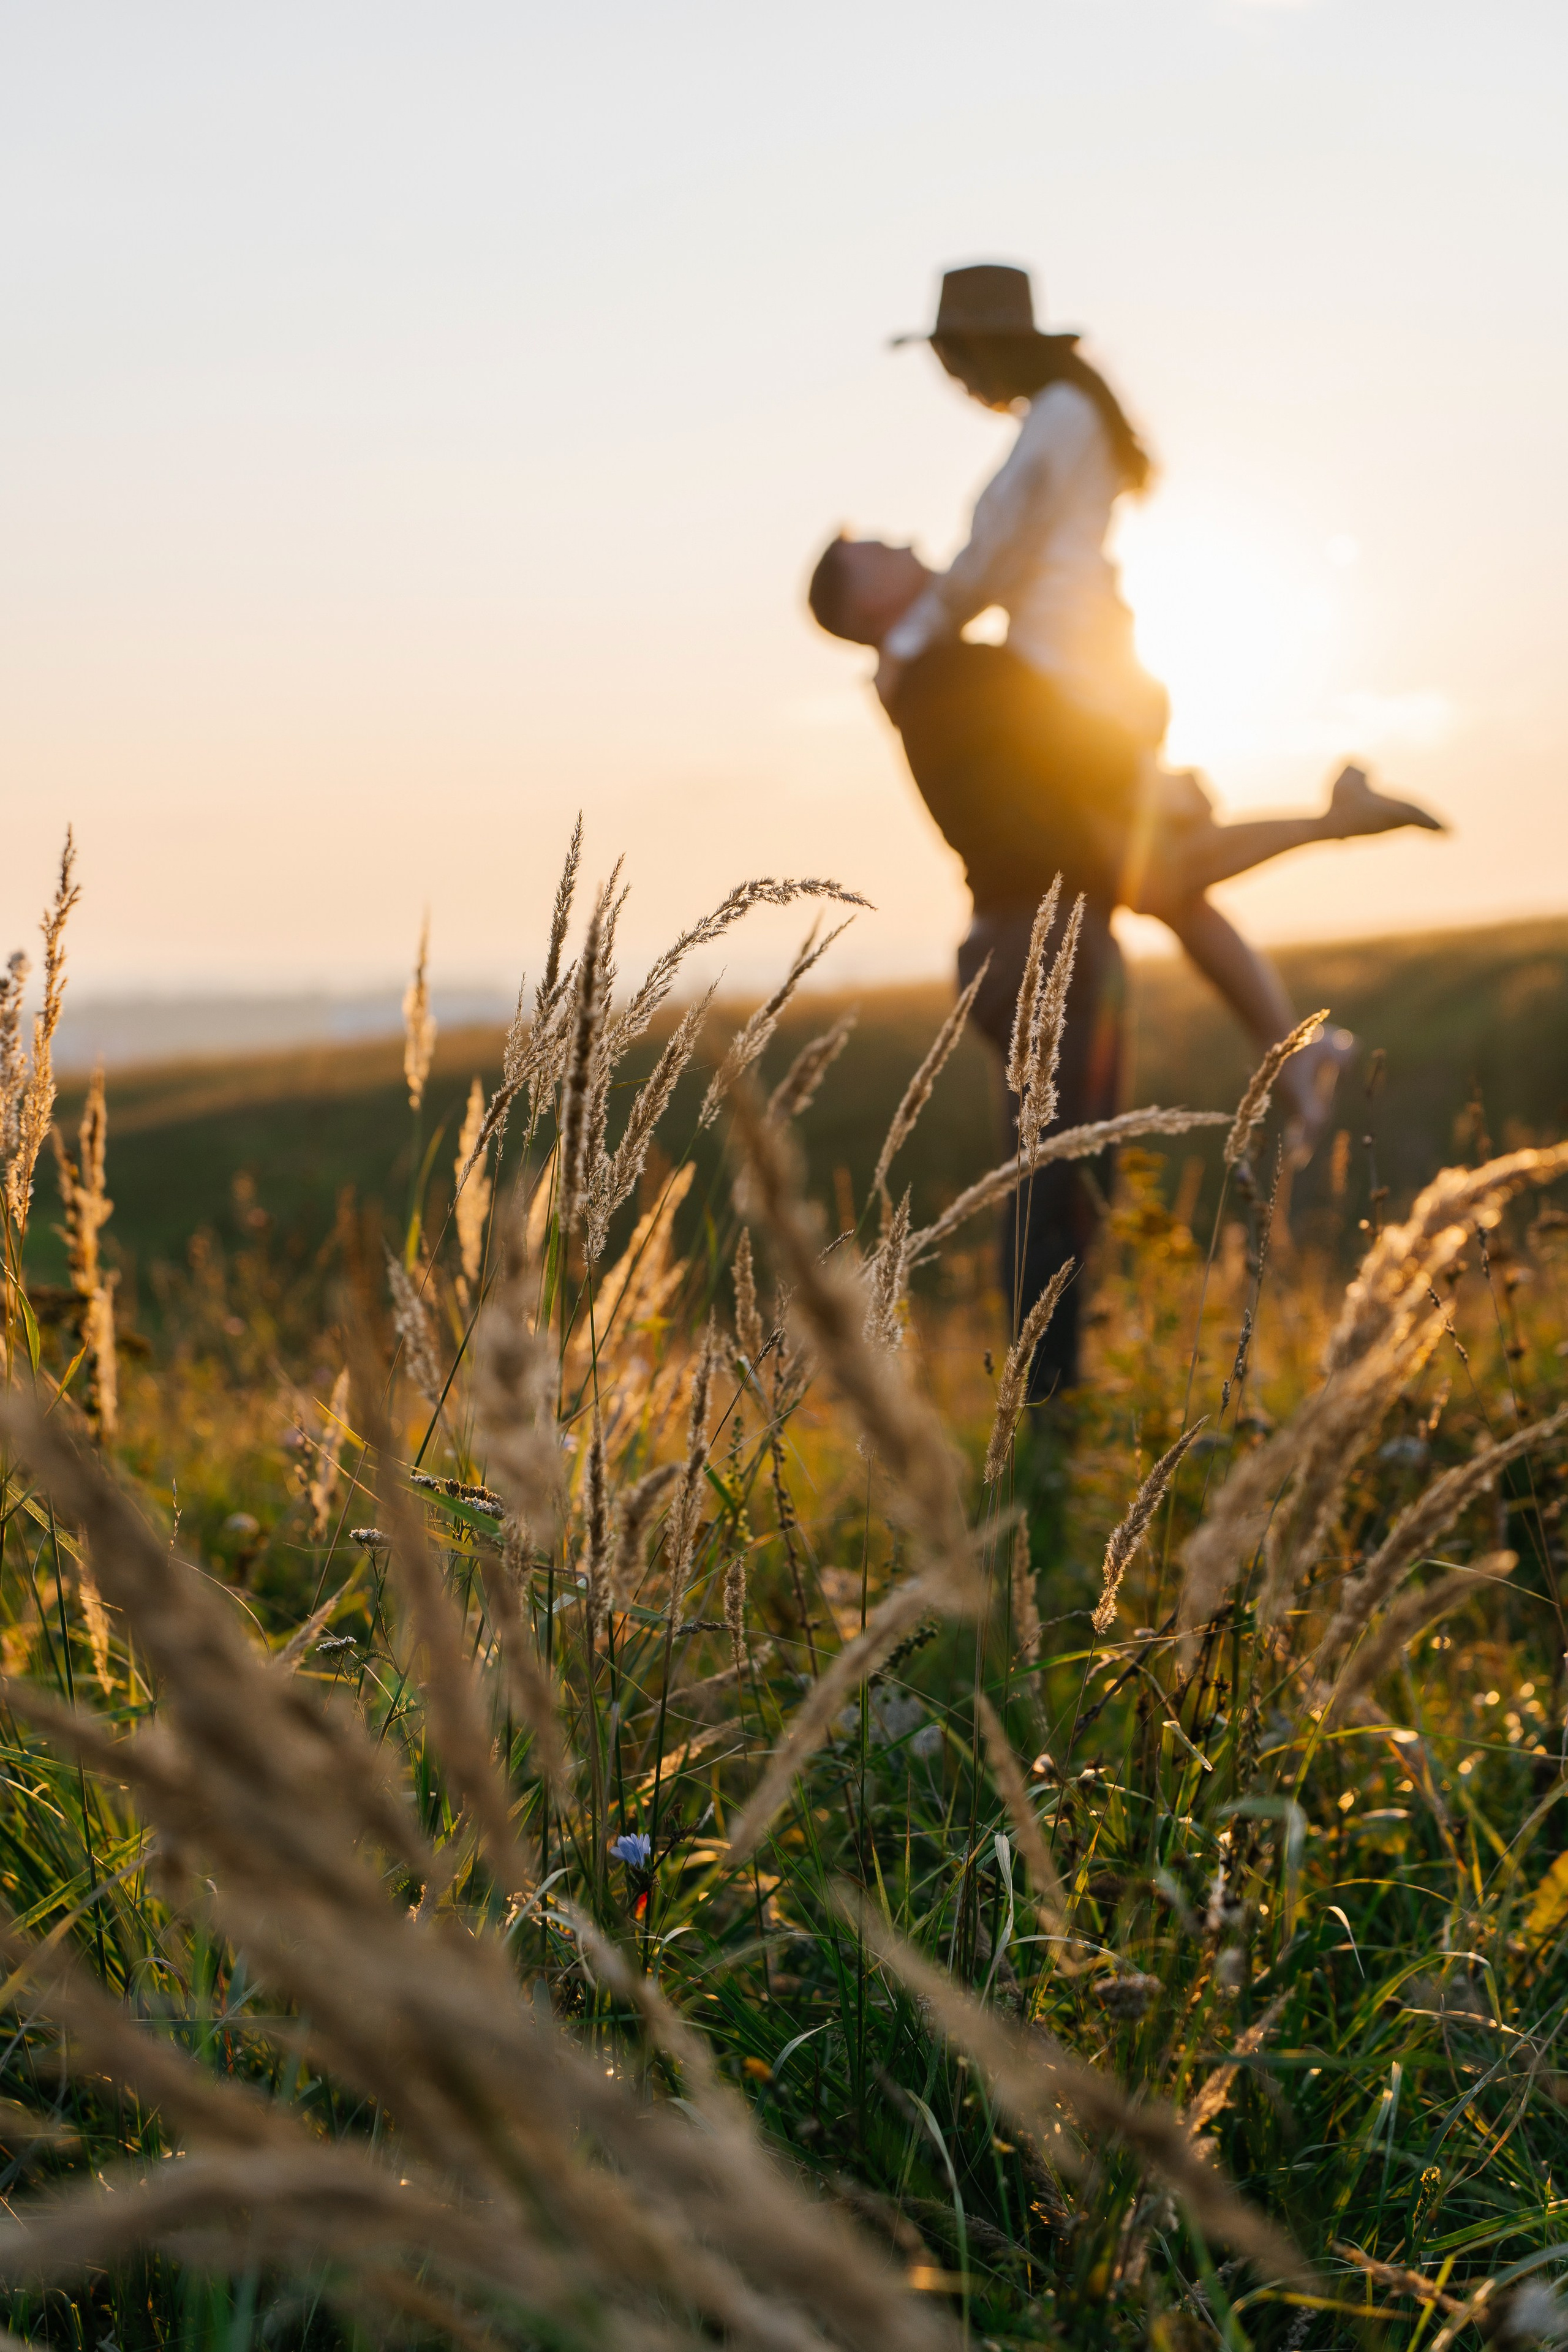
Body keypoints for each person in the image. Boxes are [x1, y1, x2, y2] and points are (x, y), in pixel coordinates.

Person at [807, 266, 1444, 1398]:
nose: (905, 545)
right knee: (1144, 936)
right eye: (880, 557)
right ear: (867, 607)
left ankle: (1050, 1400)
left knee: (1077, 1119)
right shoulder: (941, 666)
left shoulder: (958, 625)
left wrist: (938, 639)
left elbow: (992, 561)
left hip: (1066, 784)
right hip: (1045, 880)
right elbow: (989, 575)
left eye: (956, 359)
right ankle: (1048, 1400)